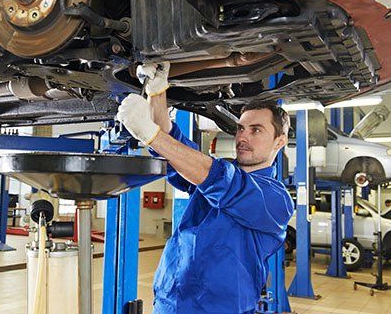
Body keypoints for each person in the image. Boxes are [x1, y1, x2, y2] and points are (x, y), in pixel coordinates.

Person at [117, 62, 294, 313]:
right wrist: (157, 92)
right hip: (171, 303)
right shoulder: (214, 171)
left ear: (280, 141)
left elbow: (218, 179)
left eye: (256, 130)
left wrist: (150, 134)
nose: (243, 137)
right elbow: (175, 148)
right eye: (241, 128)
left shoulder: (275, 199)